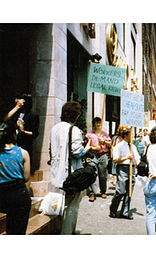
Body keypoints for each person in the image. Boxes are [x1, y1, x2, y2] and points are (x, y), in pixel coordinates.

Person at [49, 101, 91, 235]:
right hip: (71, 174)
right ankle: (67, 233)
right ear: (75, 115)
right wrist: (88, 147)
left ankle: (64, 230)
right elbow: (77, 152)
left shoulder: (54, 128)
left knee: (63, 204)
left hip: (56, 173)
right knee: (72, 206)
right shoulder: (74, 130)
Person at [0, 122, 31, 234]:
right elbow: (27, 179)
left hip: (1, 194)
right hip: (19, 194)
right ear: (14, 135)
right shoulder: (23, 153)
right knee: (17, 231)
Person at [109, 127, 140, 219]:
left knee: (129, 192)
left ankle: (125, 211)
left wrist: (136, 163)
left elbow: (137, 158)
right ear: (126, 135)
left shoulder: (133, 147)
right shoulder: (118, 146)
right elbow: (115, 160)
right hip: (122, 168)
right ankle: (113, 208)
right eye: (131, 135)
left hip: (132, 169)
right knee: (121, 190)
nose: (133, 137)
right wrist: (126, 157)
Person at [4, 93, 39, 170]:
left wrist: (23, 131)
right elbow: (5, 119)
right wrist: (17, 107)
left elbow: (34, 133)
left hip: (24, 145)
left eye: (18, 98)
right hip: (12, 145)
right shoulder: (15, 113)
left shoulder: (33, 115)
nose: (16, 100)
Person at [86, 117, 112, 201]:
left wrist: (103, 141)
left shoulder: (104, 134)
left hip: (103, 155)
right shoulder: (89, 134)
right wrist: (93, 148)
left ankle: (103, 191)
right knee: (92, 173)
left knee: (103, 174)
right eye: (96, 123)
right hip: (93, 155)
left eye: (99, 123)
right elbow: (85, 146)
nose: (97, 125)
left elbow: (110, 145)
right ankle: (92, 193)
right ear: (93, 124)